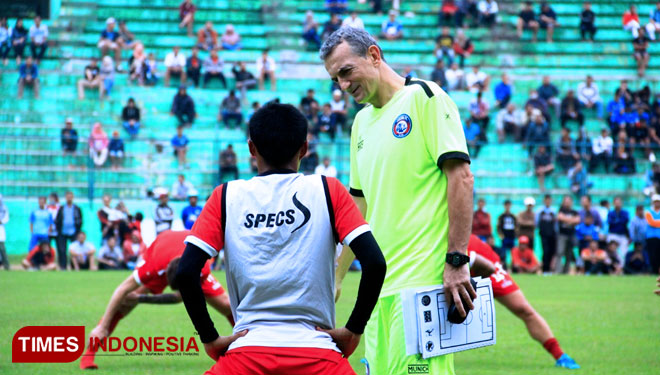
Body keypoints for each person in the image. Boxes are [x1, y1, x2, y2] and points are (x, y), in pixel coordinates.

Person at [176, 103, 385, 374]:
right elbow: (375, 263)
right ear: (304, 148)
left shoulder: (226, 196)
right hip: (320, 354)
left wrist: (210, 338)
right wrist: (353, 330)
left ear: (251, 149)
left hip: (245, 354)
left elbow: (186, 272)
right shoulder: (327, 189)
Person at [322, 27, 476, 374]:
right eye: (336, 80)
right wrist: (336, 275)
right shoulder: (360, 123)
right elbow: (358, 207)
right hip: (376, 292)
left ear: (374, 56)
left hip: (422, 286)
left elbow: (461, 178)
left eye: (346, 72)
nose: (343, 86)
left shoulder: (424, 97)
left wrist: (456, 260)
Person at [81, 230, 233, 370]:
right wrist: (103, 326)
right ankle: (89, 355)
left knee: (227, 305)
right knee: (125, 303)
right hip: (161, 251)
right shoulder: (153, 267)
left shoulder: (202, 265)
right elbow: (122, 289)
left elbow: (180, 298)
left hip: (190, 260)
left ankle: (248, 346)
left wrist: (141, 298)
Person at [468, 235, 579, 368]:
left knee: (525, 310)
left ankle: (560, 355)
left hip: (488, 268)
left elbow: (487, 262)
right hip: (456, 264)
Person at [54, 191, 82, 270]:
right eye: (67, 196)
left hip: (73, 232)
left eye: (70, 196)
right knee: (62, 250)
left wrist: (78, 230)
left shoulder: (76, 208)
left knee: (74, 250)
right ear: (65, 197)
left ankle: (74, 266)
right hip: (63, 232)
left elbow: (80, 220)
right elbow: (58, 220)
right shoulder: (62, 208)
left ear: (73, 197)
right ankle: (63, 266)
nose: (69, 198)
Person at [555, 195, 580, 274]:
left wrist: (566, 219)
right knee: (559, 252)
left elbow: (578, 220)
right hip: (562, 235)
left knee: (569, 254)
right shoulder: (561, 210)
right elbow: (560, 217)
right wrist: (571, 220)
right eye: (565, 201)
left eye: (568, 201)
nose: (567, 203)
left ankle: (566, 271)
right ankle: (558, 271)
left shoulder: (574, 212)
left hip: (571, 235)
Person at [536, 194, 557, 274]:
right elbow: (537, 223)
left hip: (552, 235)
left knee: (551, 252)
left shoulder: (553, 211)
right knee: (545, 251)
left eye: (549, 200)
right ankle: (545, 269)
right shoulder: (540, 211)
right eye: (546, 200)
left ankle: (549, 269)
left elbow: (555, 224)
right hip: (544, 234)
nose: (548, 202)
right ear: (544, 201)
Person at [607, 197, 630, 262]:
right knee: (612, 251)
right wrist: (619, 221)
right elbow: (610, 222)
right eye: (616, 203)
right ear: (614, 203)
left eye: (619, 202)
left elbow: (625, 221)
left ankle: (623, 267)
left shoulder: (625, 213)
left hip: (622, 234)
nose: (617, 204)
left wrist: (616, 221)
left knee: (624, 252)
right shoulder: (611, 213)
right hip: (613, 234)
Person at [496, 200, 517, 265]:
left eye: (509, 205)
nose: (508, 207)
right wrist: (501, 235)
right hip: (504, 237)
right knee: (503, 253)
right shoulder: (501, 216)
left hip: (511, 237)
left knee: (513, 253)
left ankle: (513, 266)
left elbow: (516, 226)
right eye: (506, 205)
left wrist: (515, 235)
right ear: (504, 206)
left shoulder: (513, 216)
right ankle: (504, 266)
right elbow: (498, 227)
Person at [645, 194, 660, 274]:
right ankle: (653, 271)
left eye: (658, 201)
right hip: (651, 237)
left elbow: (654, 222)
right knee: (652, 255)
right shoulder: (648, 211)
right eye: (655, 202)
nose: (657, 203)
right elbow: (651, 222)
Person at [0, 194, 9, 270]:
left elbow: (6, 218)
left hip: (1, 228)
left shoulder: (4, 208)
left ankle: (6, 265)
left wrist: (1, 221)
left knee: (2, 247)